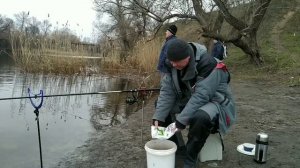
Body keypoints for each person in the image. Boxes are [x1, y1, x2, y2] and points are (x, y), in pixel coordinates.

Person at [152, 38, 236, 168]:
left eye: (177, 62)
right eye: (171, 62)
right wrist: (158, 117)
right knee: (160, 107)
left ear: (188, 57)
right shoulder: (173, 64)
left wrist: (181, 121)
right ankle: (178, 148)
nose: (173, 65)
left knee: (200, 117)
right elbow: (167, 92)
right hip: (191, 99)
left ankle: (190, 158)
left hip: (215, 102)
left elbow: (201, 96)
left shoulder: (208, 64)